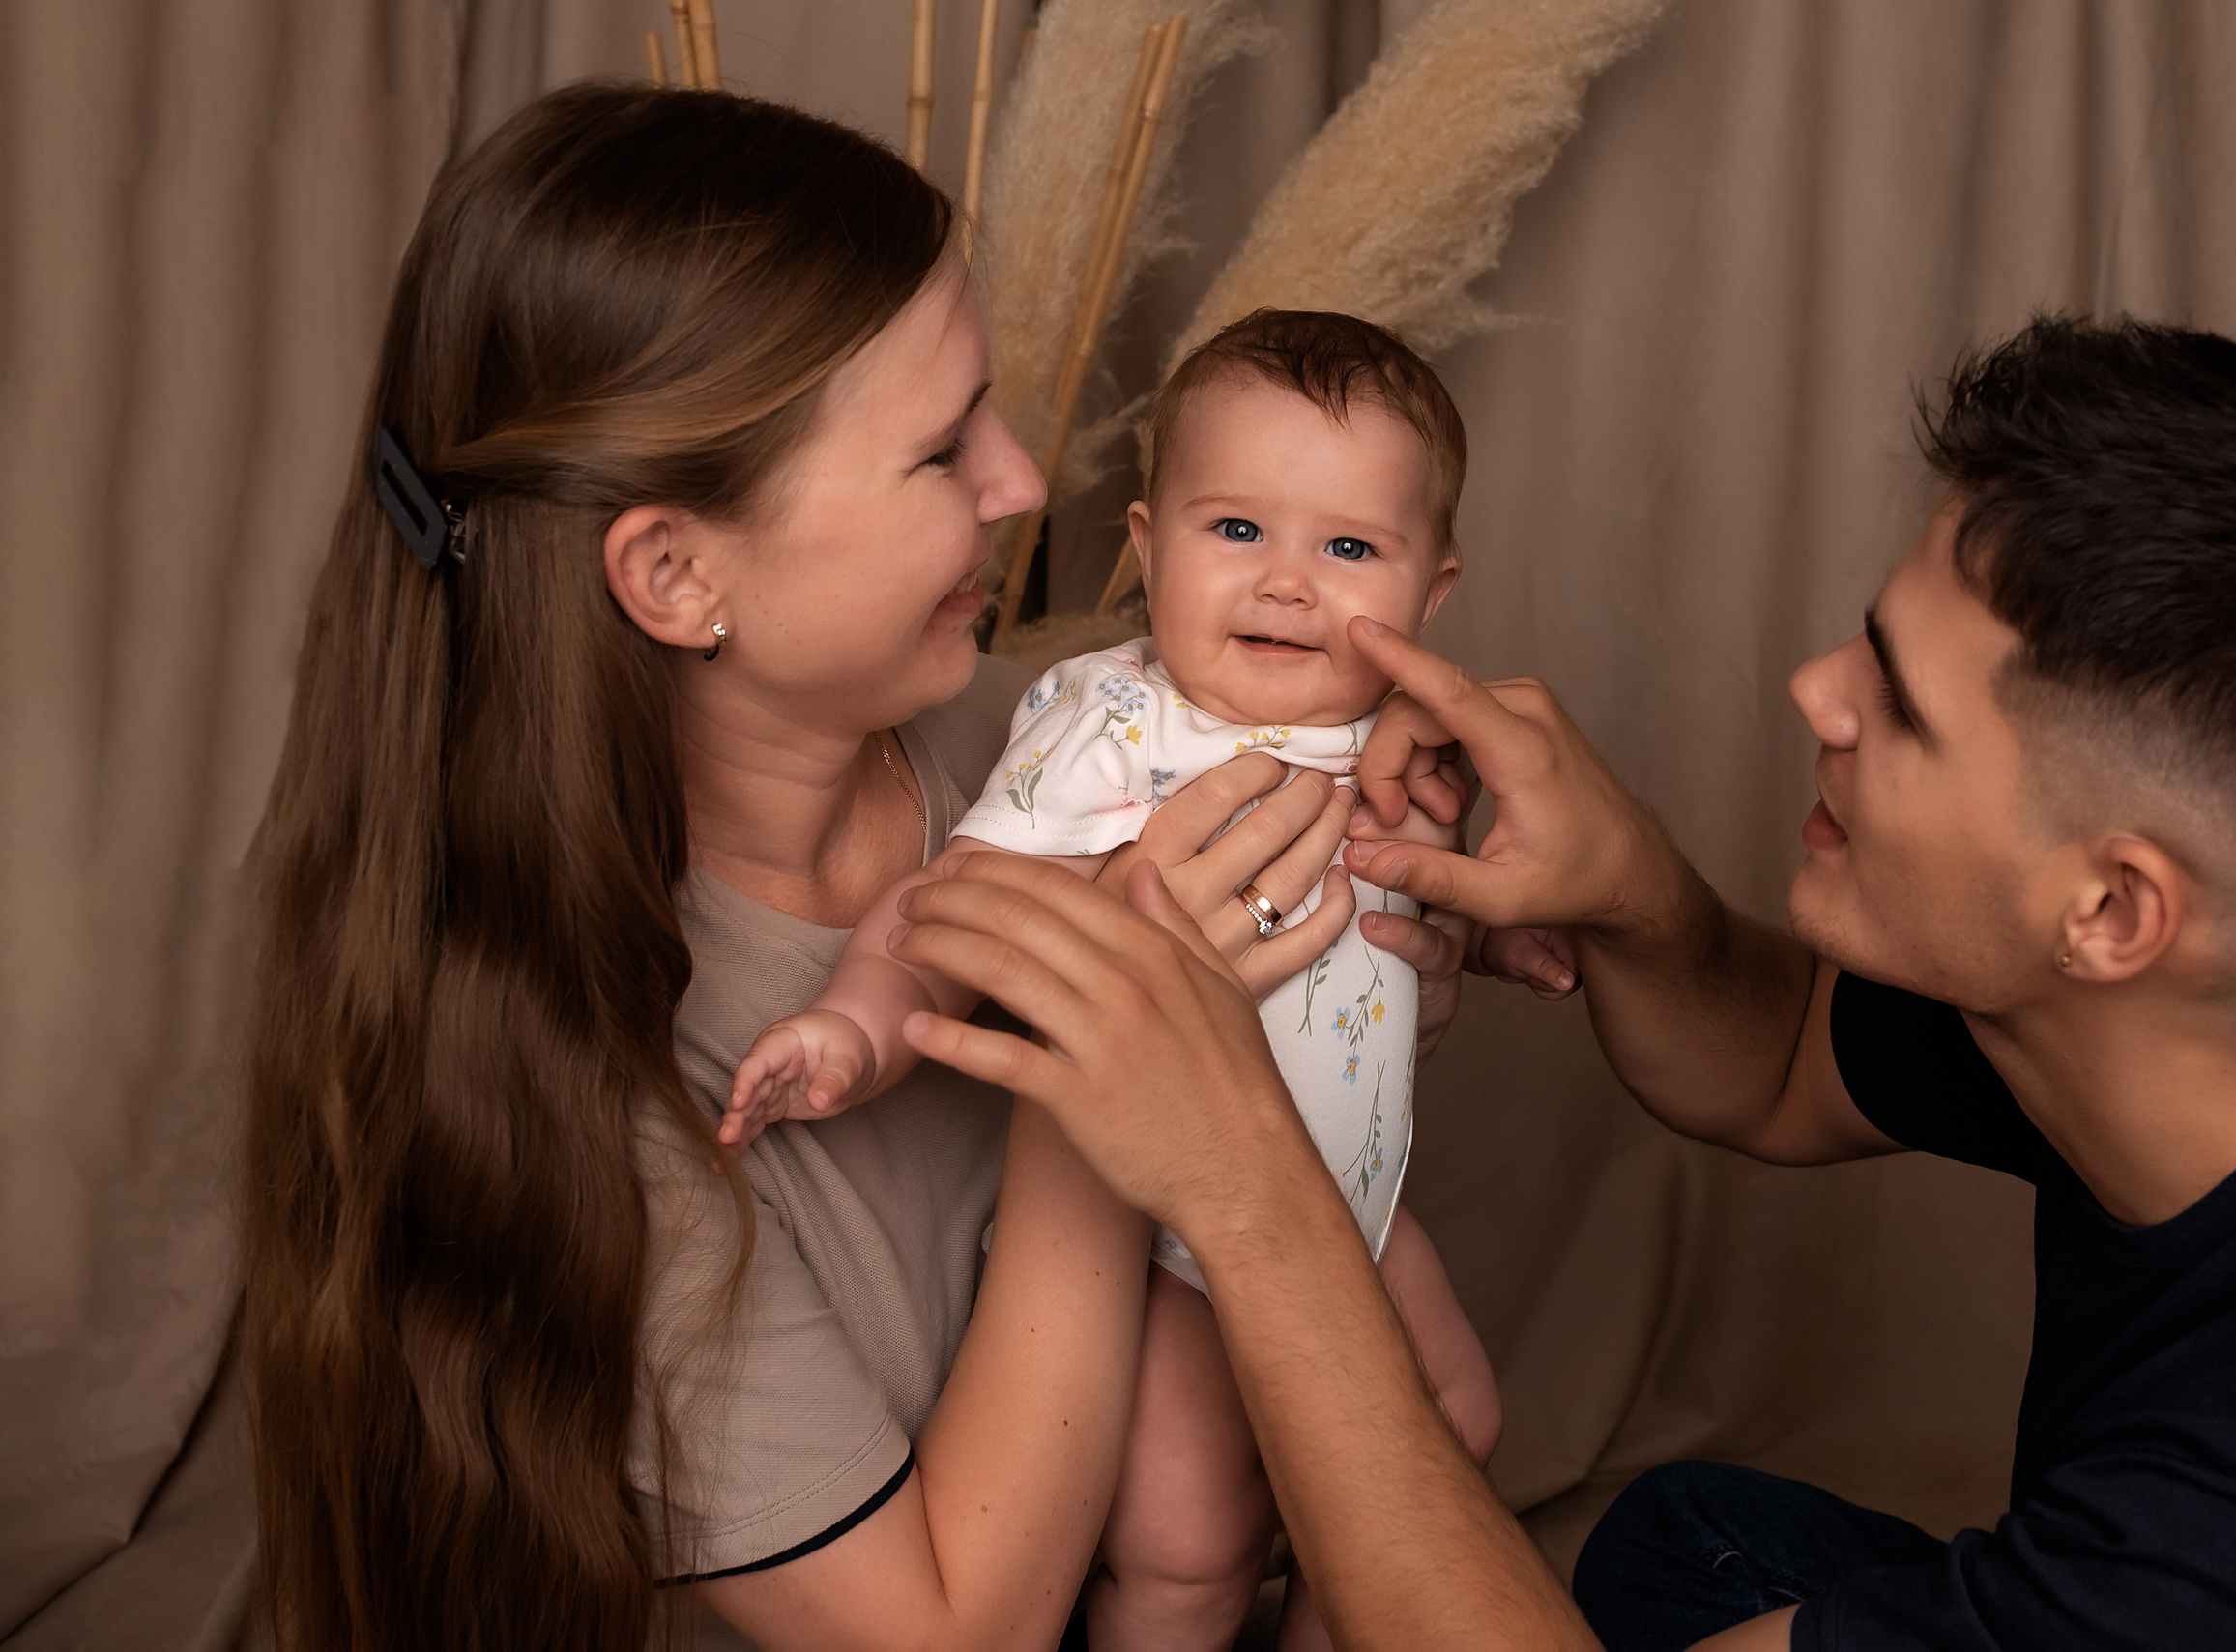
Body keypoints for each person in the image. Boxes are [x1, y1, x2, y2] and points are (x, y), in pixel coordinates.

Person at [880, 316, 2236, 1649]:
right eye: (1865, 637)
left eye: (1898, 707)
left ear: (2117, 910)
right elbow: (1784, 1061)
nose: (1812, 691)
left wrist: (1243, 1178)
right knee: (1684, 1538)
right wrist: (1627, 881)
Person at [241, 85, 1475, 1652]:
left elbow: (1327, 1053)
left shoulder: (1034, 745)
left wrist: (1396, 921)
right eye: (945, 445)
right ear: (678, 572)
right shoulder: (561, 1099)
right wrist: (1107, 1035)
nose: (1026, 482)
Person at [718, 310, 1563, 1650]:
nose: (1288, 584)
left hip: (1341, 1199)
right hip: (1157, 1220)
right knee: (1187, 1541)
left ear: (1432, 591)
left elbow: (1425, 891)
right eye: (1237, 532)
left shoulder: (1402, 739)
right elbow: (944, 908)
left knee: (1448, 1440)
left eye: (1348, 548)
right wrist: (854, 1031)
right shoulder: (1110, 725)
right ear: (1144, 541)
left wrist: (1503, 931)